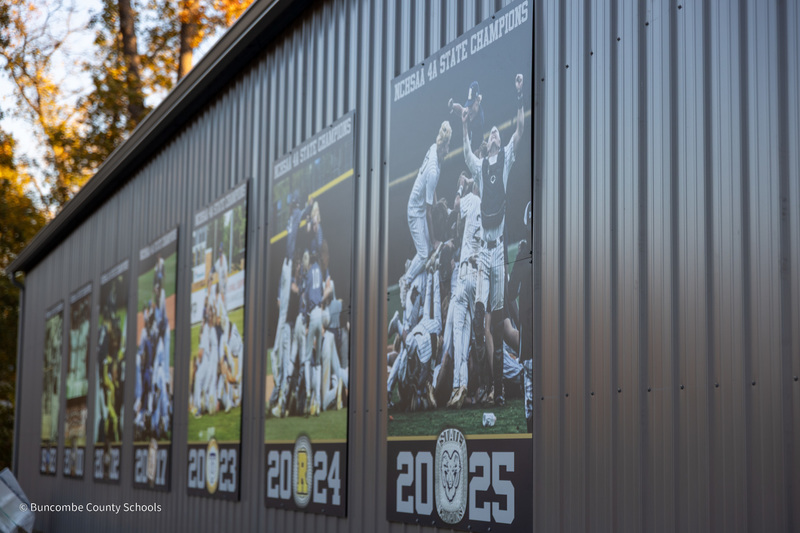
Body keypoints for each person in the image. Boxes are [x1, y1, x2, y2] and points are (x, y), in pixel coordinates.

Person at [462, 73, 525, 406]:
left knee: (498, 323)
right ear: (488, 142)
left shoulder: (505, 160)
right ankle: (486, 385)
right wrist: (465, 125)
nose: (496, 134)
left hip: (498, 250)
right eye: (492, 134)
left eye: (496, 133)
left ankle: (497, 390)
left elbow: (519, 130)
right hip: (484, 255)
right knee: (479, 315)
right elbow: (466, 154)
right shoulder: (483, 164)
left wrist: (519, 96)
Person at [399, 121, 452, 303]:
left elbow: (432, 191)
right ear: (443, 145)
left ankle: (411, 265)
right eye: (448, 145)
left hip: (420, 207)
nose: (449, 149)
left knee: (426, 252)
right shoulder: (433, 170)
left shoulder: (433, 150)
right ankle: (405, 281)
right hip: (416, 212)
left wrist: (438, 207)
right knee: (425, 253)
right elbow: (429, 213)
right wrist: (434, 240)